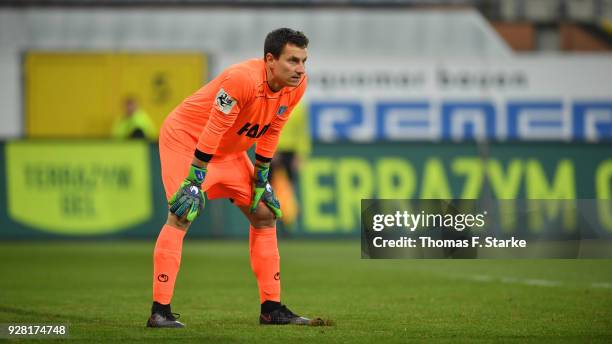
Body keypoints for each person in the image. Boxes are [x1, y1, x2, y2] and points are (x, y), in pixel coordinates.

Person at [147, 28, 326, 328]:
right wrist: (194, 177)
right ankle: (159, 311)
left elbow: (272, 130)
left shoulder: (297, 86)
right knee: (181, 213)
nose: (300, 69)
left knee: (265, 214)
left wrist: (261, 178)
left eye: (304, 61)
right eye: (292, 60)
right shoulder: (241, 79)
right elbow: (213, 128)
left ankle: (272, 309)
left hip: (230, 151)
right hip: (188, 142)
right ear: (270, 60)